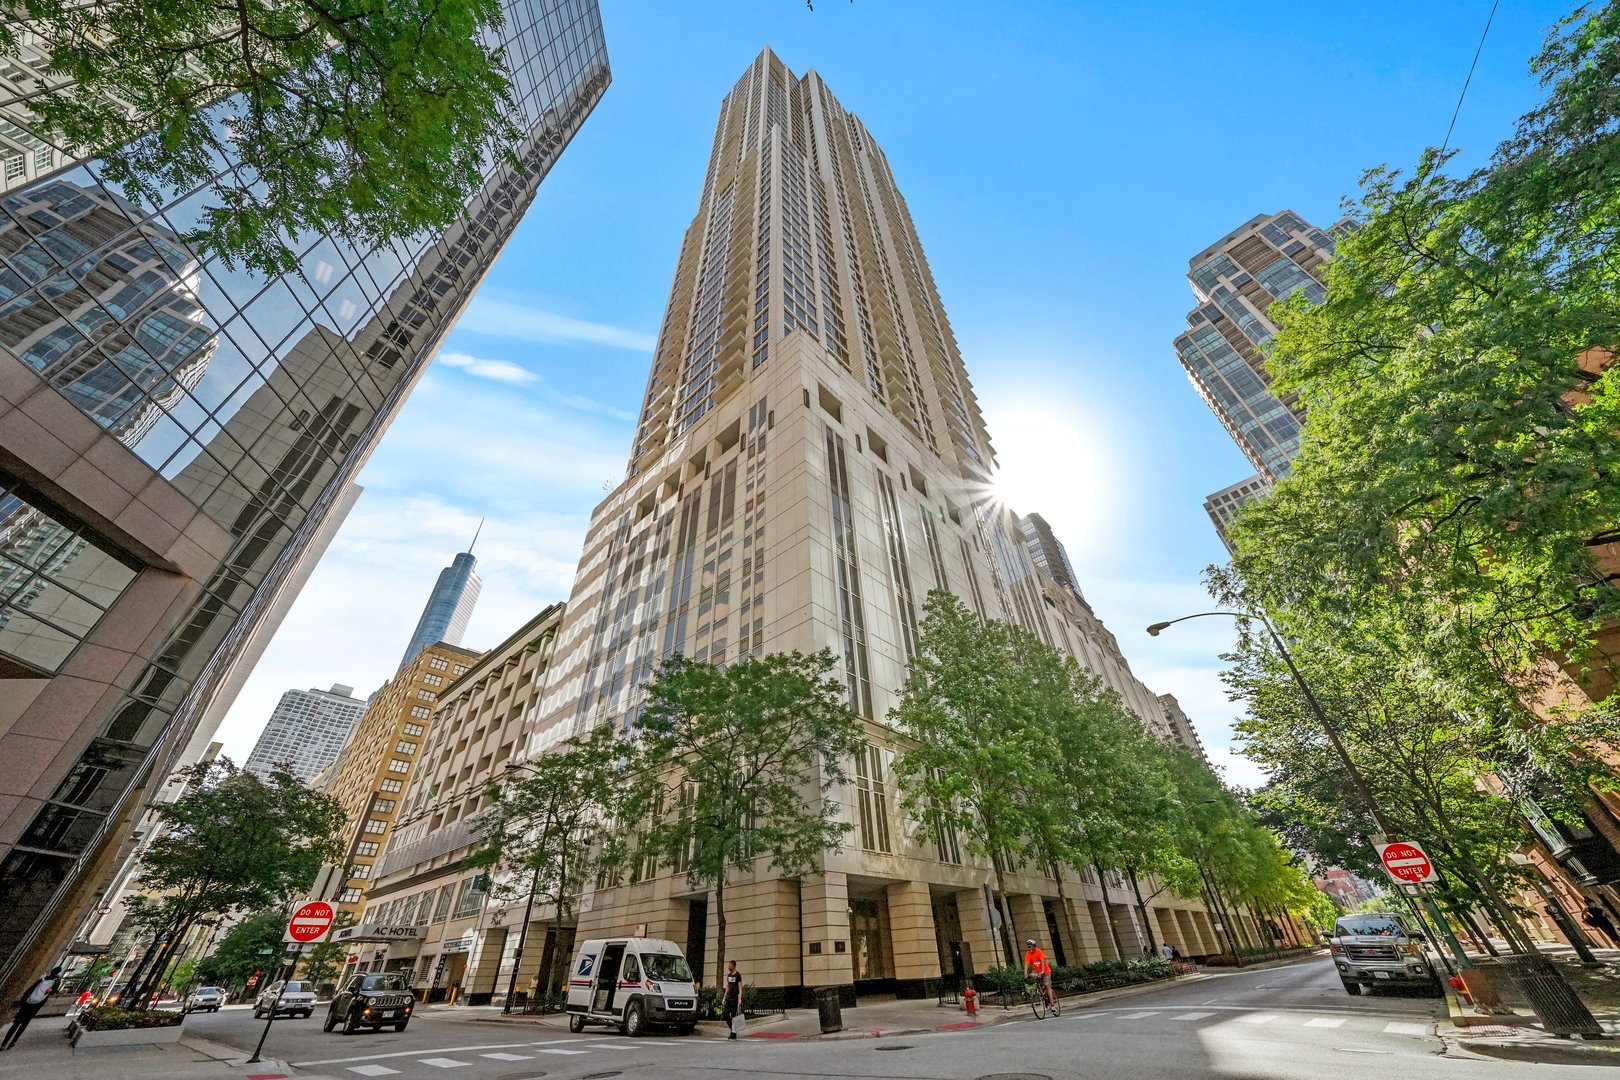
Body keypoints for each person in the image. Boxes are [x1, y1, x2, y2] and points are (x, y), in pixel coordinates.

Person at [2, 966, 61, 1050]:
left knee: (16, 1023)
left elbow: (30, 990)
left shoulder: (42, 979)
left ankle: (4, 1043)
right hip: (35, 1006)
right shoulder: (55, 982)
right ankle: (13, 1042)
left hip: (27, 1003)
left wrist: (22, 1001)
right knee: (24, 1025)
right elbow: (52, 992)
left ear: (51, 971)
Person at [1022, 939, 1054, 1008]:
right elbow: (1026, 963)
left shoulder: (1039, 951)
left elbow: (1042, 961)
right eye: (1028, 947)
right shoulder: (1028, 953)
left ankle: (1052, 1003)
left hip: (1045, 970)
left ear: (1034, 946)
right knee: (1037, 982)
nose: (1029, 948)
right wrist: (1025, 972)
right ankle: (1042, 996)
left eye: (1030, 947)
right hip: (1036, 970)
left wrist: (1042, 971)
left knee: (1047, 985)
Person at [721, 960, 743, 1040]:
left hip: (735, 998)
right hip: (728, 998)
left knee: (734, 1016)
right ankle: (733, 1030)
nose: (728, 966)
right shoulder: (729, 975)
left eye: (730, 965)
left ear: (734, 966)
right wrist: (724, 997)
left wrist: (739, 998)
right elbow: (728, 986)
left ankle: (733, 1033)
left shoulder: (738, 975)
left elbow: (740, 987)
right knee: (725, 1014)